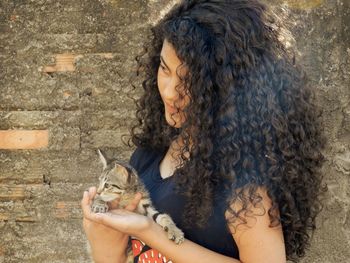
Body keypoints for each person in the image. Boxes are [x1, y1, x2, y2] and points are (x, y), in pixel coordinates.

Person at [81, 0, 326, 262]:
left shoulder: (245, 184)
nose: (169, 92)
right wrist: (101, 235)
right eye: (165, 69)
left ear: (226, 89)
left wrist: (152, 232)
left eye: (188, 80)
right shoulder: (147, 156)